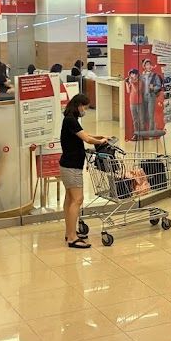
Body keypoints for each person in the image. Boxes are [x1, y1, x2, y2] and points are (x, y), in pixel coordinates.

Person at [60, 93, 108, 248]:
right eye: (85, 107)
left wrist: (97, 136)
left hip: (68, 165)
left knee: (69, 199)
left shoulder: (70, 120)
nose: (85, 110)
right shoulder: (71, 120)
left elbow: (83, 135)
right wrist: (99, 141)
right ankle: (73, 238)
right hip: (72, 167)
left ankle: (69, 232)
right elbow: (87, 139)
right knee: (77, 200)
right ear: (79, 105)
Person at [140, 58, 163, 134]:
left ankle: (151, 133)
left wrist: (154, 88)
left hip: (151, 96)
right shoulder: (141, 76)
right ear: (144, 66)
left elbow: (159, 86)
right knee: (143, 115)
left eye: (150, 64)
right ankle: (143, 132)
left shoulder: (155, 75)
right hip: (143, 97)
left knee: (151, 115)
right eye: (147, 65)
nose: (149, 66)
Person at [125, 67, 143, 135]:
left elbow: (136, 91)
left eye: (135, 74)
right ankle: (136, 134)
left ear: (137, 75)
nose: (133, 75)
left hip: (139, 102)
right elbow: (128, 91)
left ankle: (142, 134)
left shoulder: (140, 82)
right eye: (132, 74)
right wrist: (127, 83)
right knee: (135, 120)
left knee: (141, 119)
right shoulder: (130, 82)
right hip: (132, 102)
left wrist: (132, 83)